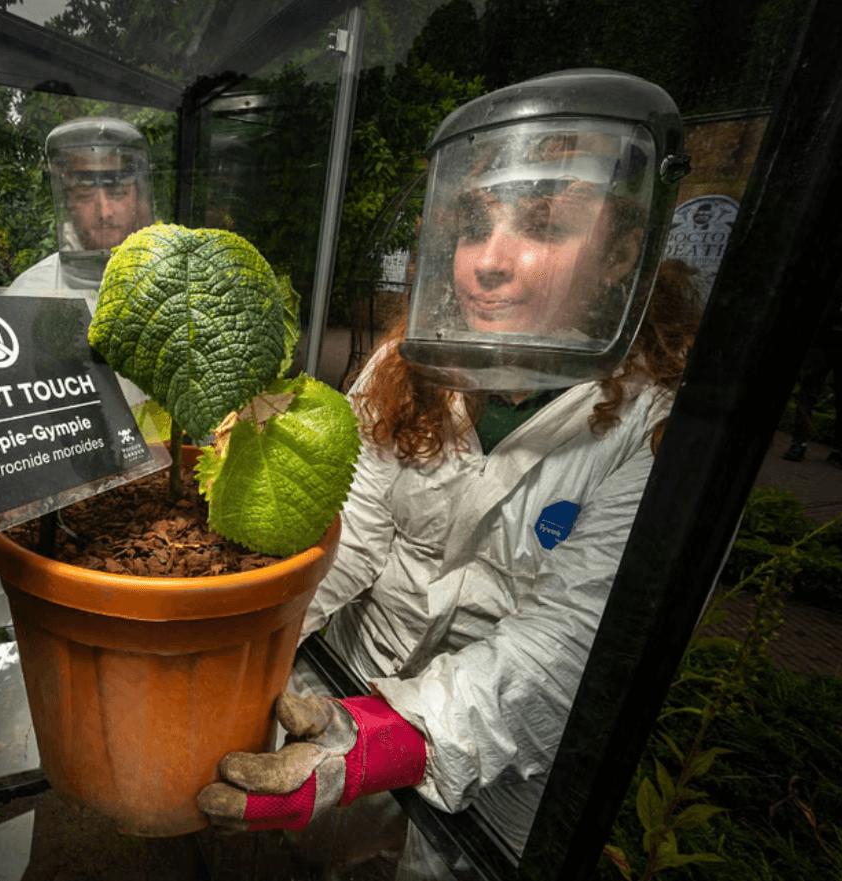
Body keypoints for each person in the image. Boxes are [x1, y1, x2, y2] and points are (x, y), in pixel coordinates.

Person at [196, 70, 702, 879]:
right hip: (338, 692)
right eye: (472, 226)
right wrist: (234, 643)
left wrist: (378, 746)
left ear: (619, 257)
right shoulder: (406, 366)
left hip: (504, 777)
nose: (488, 264)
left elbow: (569, 645)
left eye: (541, 225)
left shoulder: (662, 428)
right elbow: (348, 539)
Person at [5, 116, 155, 302]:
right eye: (85, 195)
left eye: (117, 192)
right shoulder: (30, 293)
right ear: (67, 201)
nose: (104, 212)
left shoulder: (174, 286)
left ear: (137, 196)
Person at [783, 235, 842, 472]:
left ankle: (841, 451)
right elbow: (827, 314)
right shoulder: (839, 284)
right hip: (823, 348)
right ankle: (799, 443)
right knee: (808, 395)